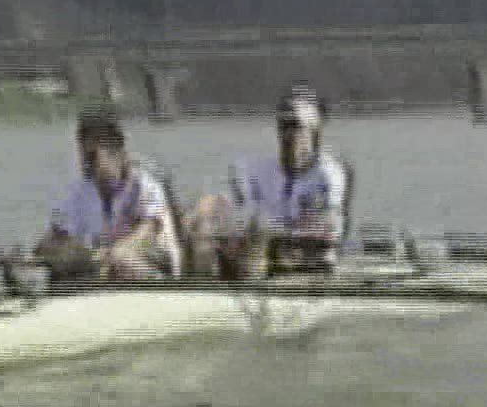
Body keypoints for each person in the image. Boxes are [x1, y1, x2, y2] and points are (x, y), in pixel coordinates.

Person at [188, 84, 351, 278]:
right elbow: (226, 205)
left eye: (297, 127)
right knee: (203, 219)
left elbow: (321, 229)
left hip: (308, 257)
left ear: (315, 131)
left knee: (260, 237)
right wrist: (204, 214)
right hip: (260, 253)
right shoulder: (255, 169)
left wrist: (265, 232)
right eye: (285, 126)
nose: (290, 135)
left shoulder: (329, 174)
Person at [34, 108, 182, 281]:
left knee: (120, 259)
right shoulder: (80, 191)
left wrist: (113, 252)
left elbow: (148, 231)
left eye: (96, 151)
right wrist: (42, 253)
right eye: (86, 149)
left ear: (117, 148)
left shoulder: (144, 185)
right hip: (104, 265)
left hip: (152, 260)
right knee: (65, 260)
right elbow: (56, 235)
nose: (90, 159)